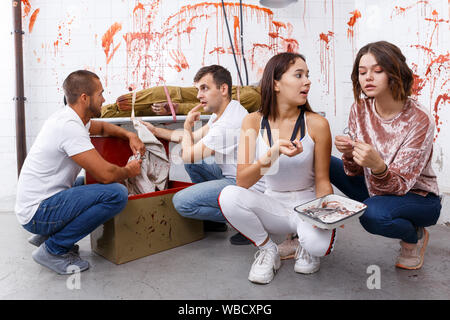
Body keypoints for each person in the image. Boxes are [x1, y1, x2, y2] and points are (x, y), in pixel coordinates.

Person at [218, 52, 336, 284]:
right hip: (273, 205)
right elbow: (243, 181)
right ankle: (268, 250)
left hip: (307, 205)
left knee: (319, 246)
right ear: (276, 83)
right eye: (299, 75)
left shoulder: (317, 123)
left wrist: (326, 211)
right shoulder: (252, 121)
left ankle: (304, 245)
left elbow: (322, 179)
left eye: (307, 75)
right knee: (229, 196)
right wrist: (274, 152)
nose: (307, 81)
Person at [15, 70, 145, 275]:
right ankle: (53, 249)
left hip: (36, 204)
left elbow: (102, 128)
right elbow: (106, 174)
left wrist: (129, 134)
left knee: (86, 181)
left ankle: (48, 236)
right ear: (85, 98)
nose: (104, 99)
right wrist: (129, 170)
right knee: (116, 194)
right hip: (37, 213)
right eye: (100, 94)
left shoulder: (72, 118)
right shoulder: (69, 127)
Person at [330, 41, 441, 270]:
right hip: (374, 188)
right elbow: (353, 172)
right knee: (322, 161)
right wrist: (350, 155)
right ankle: (305, 233)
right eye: (362, 72)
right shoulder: (359, 109)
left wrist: (378, 166)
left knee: (371, 214)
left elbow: (400, 186)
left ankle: (413, 237)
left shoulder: (420, 119)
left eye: (377, 70)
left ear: (394, 73)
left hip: (418, 198)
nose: (368, 77)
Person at [141, 65, 264, 245]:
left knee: (182, 202)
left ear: (223, 89)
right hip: (234, 173)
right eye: (198, 89)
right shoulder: (228, 109)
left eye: (204, 88)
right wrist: (155, 130)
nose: (198, 95)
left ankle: (248, 220)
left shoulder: (228, 124)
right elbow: (191, 139)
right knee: (195, 163)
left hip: (245, 185)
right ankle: (217, 219)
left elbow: (188, 154)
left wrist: (186, 126)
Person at [101, 85, 262, 118]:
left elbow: (214, 106)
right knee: (122, 105)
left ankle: (87, 115)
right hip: (170, 96)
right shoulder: (253, 92)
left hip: (171, 99)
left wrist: (177, 108)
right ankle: (87, 115)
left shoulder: (253, 97)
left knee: (121, 106)